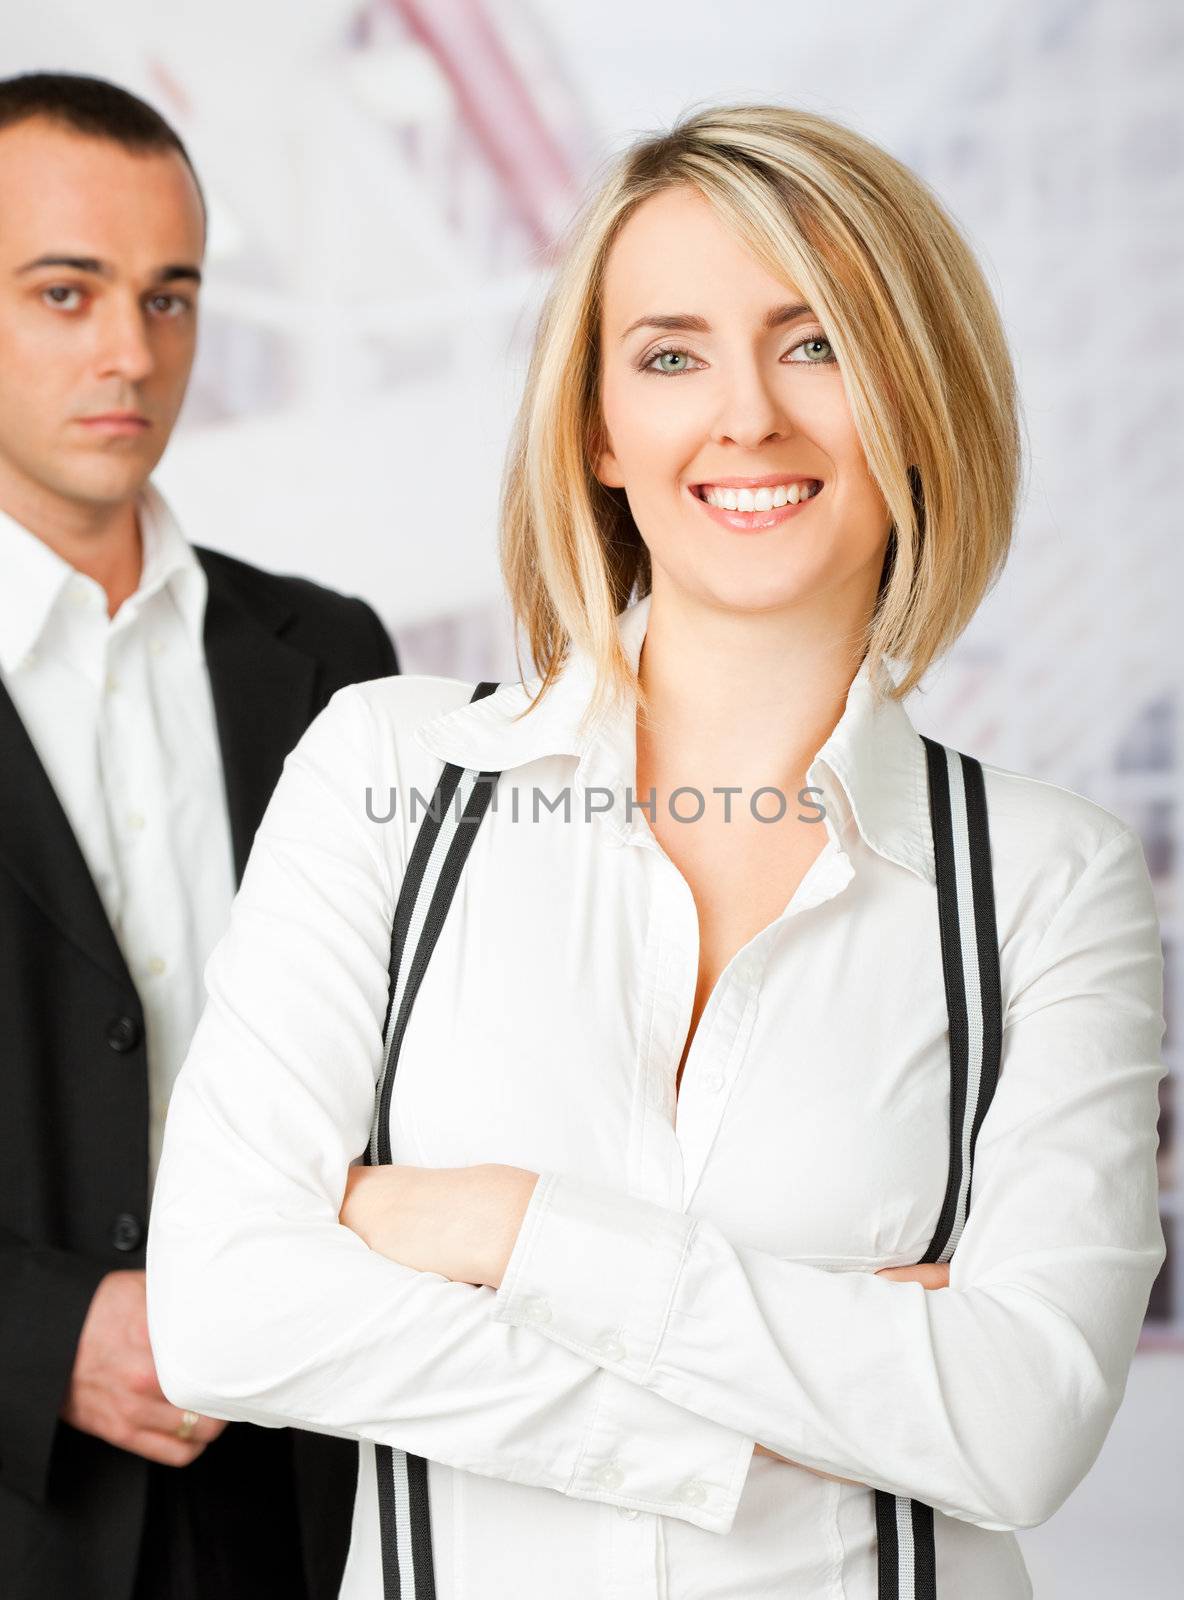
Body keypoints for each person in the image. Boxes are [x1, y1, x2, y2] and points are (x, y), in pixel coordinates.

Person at [146, 103, 1165, 1599]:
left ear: (920, 398)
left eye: (817, 343)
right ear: (601, 431)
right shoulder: (392, 771)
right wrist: (808, 1398)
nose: (745, 415)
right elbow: (226, 1313)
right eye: (672, 354)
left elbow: (1017, 1425)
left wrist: (500, 1227)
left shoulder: (1046, 877)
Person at [0, 72, 399, 1600]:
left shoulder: (332, 658)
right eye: (65, 292)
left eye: (171, 298)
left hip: (302, 1501)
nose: (130, 352)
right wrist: (44, 1335)